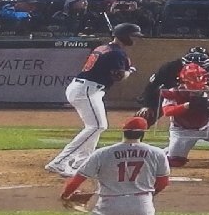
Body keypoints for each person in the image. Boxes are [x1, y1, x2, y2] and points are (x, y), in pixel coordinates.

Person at [46, 22, 142, 176]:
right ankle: (60, 162)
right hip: (88, 90)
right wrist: (129, 70)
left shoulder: (104, 48)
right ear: (123, 36)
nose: (135, 39)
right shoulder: (116, 53)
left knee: (95, 126)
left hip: (85, 88)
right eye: (133, 36)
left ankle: (81, 163)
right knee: (97, 126)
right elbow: (118, 76)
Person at [139, 45, 209, 159]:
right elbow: (152, 87)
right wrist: (147, 105)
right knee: (143, 116)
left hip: (205, 101)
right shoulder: (170, 68)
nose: (194, 68)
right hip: (175, 97)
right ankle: (132, 144)